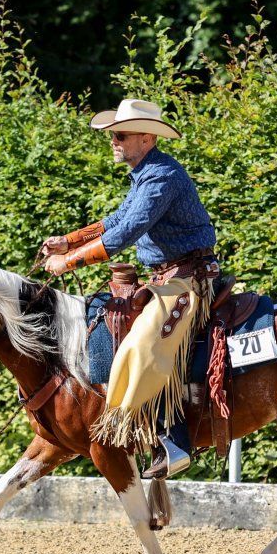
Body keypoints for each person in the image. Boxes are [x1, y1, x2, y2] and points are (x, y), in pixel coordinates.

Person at [41, 98, 218, 479]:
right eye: (112, 134)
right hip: (169, 277)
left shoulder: (162, 176)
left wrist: (67, 262)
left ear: (146, 138)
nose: (112, 140)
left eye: (119, 134)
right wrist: (69, 241)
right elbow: (118, 218)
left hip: (189, 280)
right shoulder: (146, 172)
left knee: (141, 344)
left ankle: (174, 442)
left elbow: (125, 232)